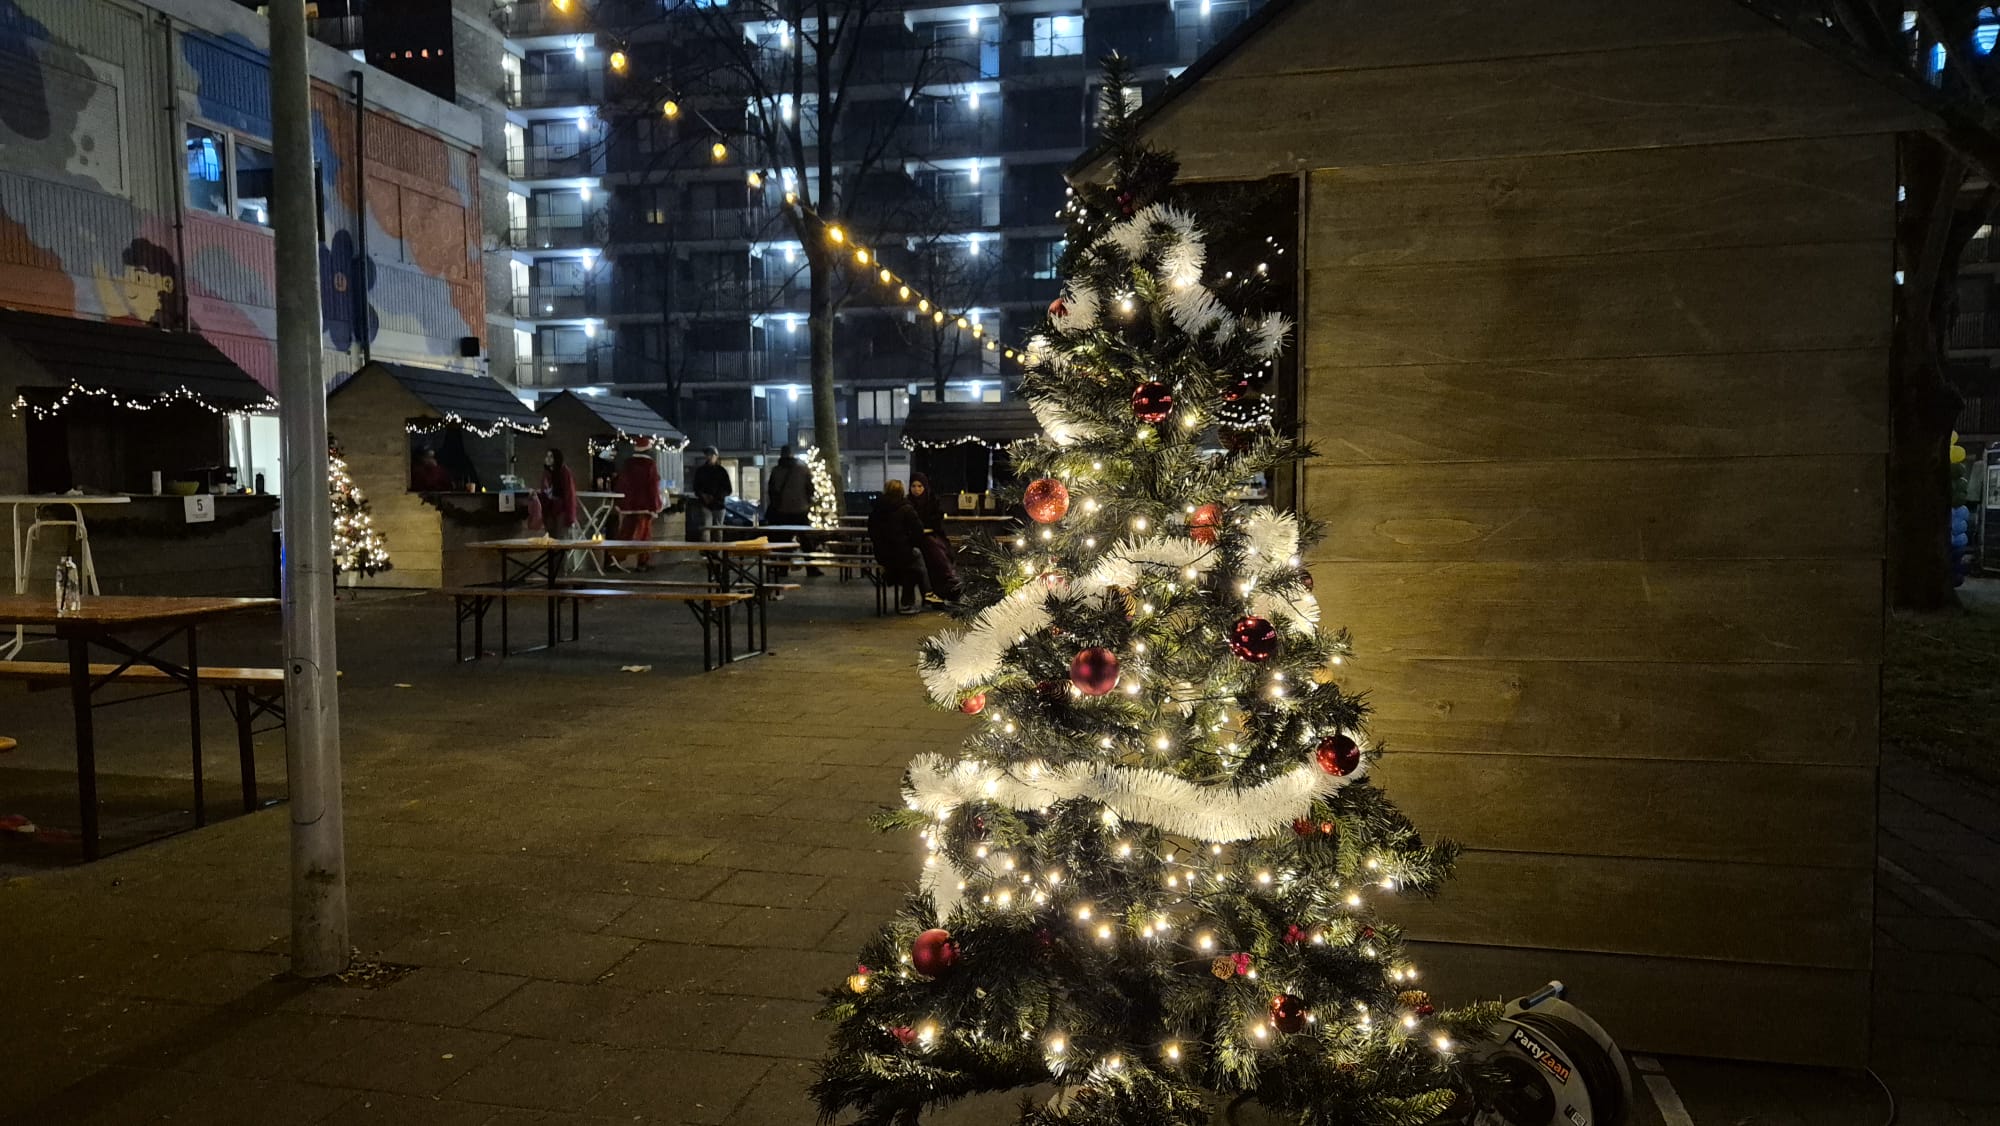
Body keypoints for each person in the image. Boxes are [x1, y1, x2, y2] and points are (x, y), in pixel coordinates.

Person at [869, 479, 928, 614]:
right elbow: (918, 531)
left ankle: (920, 598)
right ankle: (925, 596)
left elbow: (872, 532)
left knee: (914, 564)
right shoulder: (906, 508)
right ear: (902, 491)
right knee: (916, 563)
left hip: (882, 555)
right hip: (901, 553)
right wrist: (910, 543)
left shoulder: (877, 509)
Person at [613, 436, 663, 570]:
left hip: (630, 505)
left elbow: (622, 483)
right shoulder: (650, 465)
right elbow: (652, 485)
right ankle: (642, 561)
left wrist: (621, 502)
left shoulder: (628, 464)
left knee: (626, 531)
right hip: (645, 505)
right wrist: (655, 504)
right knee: (644, 533)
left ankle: (618, 557)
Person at [908, 472, 959, 603]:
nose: (916, 489)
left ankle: (947, 587)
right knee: (932, 550)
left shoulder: (932, 502)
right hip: (916, 540)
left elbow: (937, 523)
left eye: (920, 486)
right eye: (913, 486)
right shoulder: (907, 504)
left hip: (932, 536)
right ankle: (948, 585)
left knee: (937, 550)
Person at [691, 446, 732, 542]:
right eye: (707, 455)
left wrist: (716, 496)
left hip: (718, 504)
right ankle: (708, 552)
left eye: (711, 455)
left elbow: (728, 489)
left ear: (716, 456)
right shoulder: (701, 471)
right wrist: (703, 495)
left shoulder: (721, 471)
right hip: (707, 504)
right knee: (707, 528)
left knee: (717, 530)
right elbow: (696, 488)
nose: (708, 457)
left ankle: (717, 552)